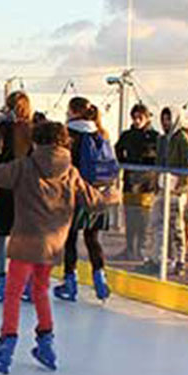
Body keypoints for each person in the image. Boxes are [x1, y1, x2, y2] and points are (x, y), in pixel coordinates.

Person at [0, 121, 119, 374]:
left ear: (36, 142)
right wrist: (113, 194)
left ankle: (6, 345)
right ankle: (46, 344)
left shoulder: (25, 166)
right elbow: (94, 201)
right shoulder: (71, 173)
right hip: (53, 244)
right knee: (41, 291)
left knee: (13, 293)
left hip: (26, 241)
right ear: (64, 143)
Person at [54, 98, 115, 301]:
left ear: (73, 111)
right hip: (98, 194)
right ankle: (100, 279)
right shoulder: (101, 134)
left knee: (70, 239)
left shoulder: (68, 134)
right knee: (92, 239)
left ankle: (70, 283)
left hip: (75, 194)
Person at [0, 91, 34, 303]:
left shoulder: (3, 129)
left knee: (4, 232)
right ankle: (28, 283)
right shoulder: (33, 130)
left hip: (6, 185)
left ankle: (3, 280)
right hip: (28, 187)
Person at [143, 107, 188, 276]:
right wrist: (156, 182)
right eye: (163, 119)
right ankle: (155, 258)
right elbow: (159, 162)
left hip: (176, 190)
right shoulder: (162, 139)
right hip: (162, 187)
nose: (165, 123)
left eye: (168, 119)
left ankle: (180, 260)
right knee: (155, 222)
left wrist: (180, 187)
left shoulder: (184, 140)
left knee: (176, 226)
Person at [114, 103, 159, 262]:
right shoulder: (127, 135)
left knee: (143, 218)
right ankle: (129, 248)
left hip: (147, 182)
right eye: (134, 117)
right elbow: (118, 148)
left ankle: (140, 248)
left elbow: (158, 156)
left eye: (140, 117)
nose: (137, 120)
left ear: (147, 118)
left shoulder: (154, 136)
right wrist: (124, 162)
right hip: (130, 179)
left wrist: (149, 164)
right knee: (130, 216)